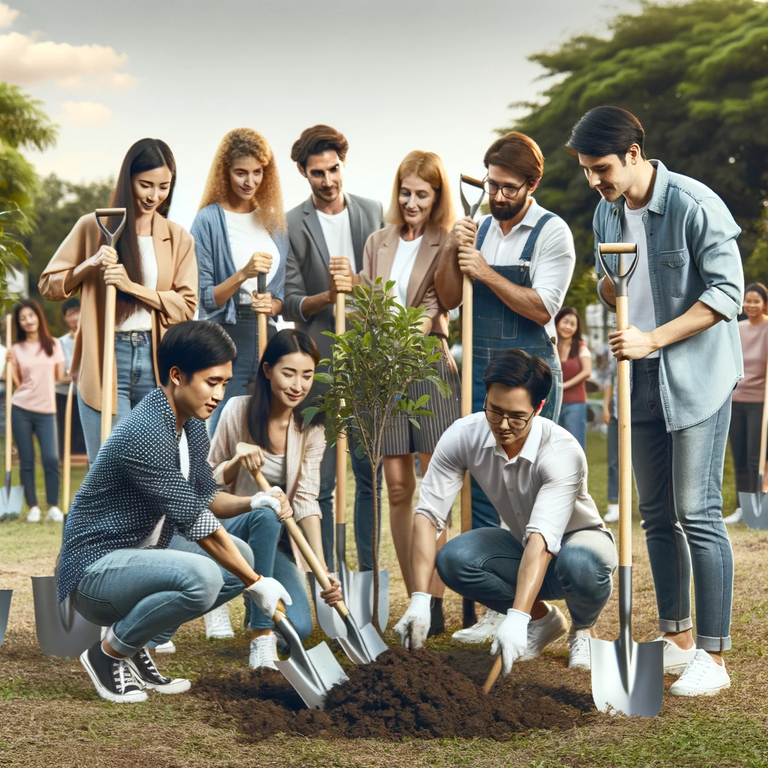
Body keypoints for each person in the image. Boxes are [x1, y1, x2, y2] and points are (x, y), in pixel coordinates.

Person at [57, 320, 341, 703]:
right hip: (93, 571)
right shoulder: (147, 431)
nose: (218, 394)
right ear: (177, 376)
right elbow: (199, 523)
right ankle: (107, 654)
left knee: (242, 555)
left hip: (137, 561)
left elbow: (208, 498)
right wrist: (257, 583)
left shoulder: (189, 425)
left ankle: (132, 643)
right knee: (207, 575)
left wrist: (254, 502)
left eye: (224, 383)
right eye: (212, 382)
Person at [568, 105, 743, 696]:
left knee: (698, 512)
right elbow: (609, 278)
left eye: (603, 168)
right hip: (637, 376)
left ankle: (714, 661)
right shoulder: (605, 211)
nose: (596, 180)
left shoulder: (694, 205)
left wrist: (652, 338)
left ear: (635, 154)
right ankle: (678, 637)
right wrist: (610, 288)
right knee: (655, 516)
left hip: (694, 371)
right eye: (589, 171)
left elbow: (728, 292)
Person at [434, 132, 577, 641]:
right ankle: (502, 607)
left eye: (508, 188)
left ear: (532, 185)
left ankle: (569, 617)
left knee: (540, 489)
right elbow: (450, 298)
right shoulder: (478, 229)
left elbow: (544, 307)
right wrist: (457, 251)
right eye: (491, 184)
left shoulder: (552, 232)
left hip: (531, 372)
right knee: (483, 491)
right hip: (480, 374)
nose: (497, 195)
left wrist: (488, 272)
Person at [394, 349, 617, 675]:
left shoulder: (561, 452)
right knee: (454, 560)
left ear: (538, 408)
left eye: (516, 416)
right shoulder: (463, 435)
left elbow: (543, 539)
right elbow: (428, 515)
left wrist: (515, 616)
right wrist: (418, 598)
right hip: (521, 545)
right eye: (494, 411)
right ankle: (543, 621)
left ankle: (582, 629)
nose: (502, 425)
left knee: (581, 562)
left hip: (575, 542)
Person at [331, 150, 460, 634]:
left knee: (436, 485)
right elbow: (365, 300)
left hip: (424, 363)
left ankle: (437, 597)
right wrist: (353, 289)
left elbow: (439, 302)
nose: (410, 202)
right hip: (376, 368)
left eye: (421, 194)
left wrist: (406, 337)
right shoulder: (377, 241)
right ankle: (415, 598)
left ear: (436, 197)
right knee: (399, 487)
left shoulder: (446, 240)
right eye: (405, 192)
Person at [39, 138, 198, 464]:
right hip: (106, 357)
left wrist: (132, 287)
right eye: (145, 185)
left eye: (164, 186)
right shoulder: (93, 226)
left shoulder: (178, 237)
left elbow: (186, 306)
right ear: (128, 181)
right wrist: (89, 264)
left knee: (153, 466)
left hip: (157, 362)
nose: (154, 196)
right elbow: (48, 285)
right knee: (112, 468)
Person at [282, 125, 384, 572]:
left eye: (334, 169)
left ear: (344, 164)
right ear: (304, 173)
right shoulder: (290, 223)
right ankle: (327, 573)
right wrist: (328, 295)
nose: (329, 181)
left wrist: (358, 286)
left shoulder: (373, 212)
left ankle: (366, 573)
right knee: (319, 480)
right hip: (318, 364)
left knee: (369, 475)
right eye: (318, 173)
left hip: (367, 359)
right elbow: (288, 299)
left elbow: (386, 283)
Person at [201, 329, 331, 666]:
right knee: (268, 510)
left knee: (298, 628)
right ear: (268, 369)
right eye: (288, 373)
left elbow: (305, 501)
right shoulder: (237, 411)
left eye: (307, 375)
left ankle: (255, 598)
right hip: (230, 525)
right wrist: (236, 459)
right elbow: (207, 482)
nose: (297, 385)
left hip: (273, 537)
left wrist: (322, 569)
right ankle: (260, 637)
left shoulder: (312, 428)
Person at [192, 128, 290, 436]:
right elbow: (206, 297)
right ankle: (212, 482)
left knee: (265, 421)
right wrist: (243, 274)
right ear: (225, 173)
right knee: (224, 420)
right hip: (226, 334)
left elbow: (282, 298)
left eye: (258, 172)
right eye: (240, 173)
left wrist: (272, 303)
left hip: (267, 332)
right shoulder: (208, 220)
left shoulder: (274, 222)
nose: (250, 182)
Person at [9, 300, 66, 522]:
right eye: (23, 318)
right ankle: (33, 506)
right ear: (19, 323)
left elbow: (60, 375)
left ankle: (53, 505)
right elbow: (17, 381)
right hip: (21, 408)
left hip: (46, 410)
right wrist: (8, 364)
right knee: (26, 460)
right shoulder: (16, 349)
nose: (28, 321)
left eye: (30, 316)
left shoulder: (52, 344)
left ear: (38, 317)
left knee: (51, 458)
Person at [725, 283, 768, 525]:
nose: (750, 305)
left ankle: (757, 507)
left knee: (755, 457)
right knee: (739, 456)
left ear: (764, 303)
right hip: (736, 399)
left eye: (756, 301)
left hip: (760, 403)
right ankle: (742, 508)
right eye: (747, 301)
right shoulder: (737, 328)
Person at [555, 307, 592, 451]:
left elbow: (587, 372)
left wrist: (563, 386)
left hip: (575, 404)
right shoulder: (549, 346)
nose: (568, 327)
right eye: (565, 322)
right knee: (555, 446)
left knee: (574, 446)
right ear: (557, 322)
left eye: (572, 324)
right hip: (554, 403)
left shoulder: (581, 347)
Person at [55, 298, 87, 458]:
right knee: (65, 427)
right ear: (65, 319)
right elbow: (59, 373)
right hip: (64, 392)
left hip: (85, 392)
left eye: (78, 312)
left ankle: (83, 456)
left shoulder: (93, 339)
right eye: (71, 314)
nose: (75, 317)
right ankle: (65, 457)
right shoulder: (60, 342)